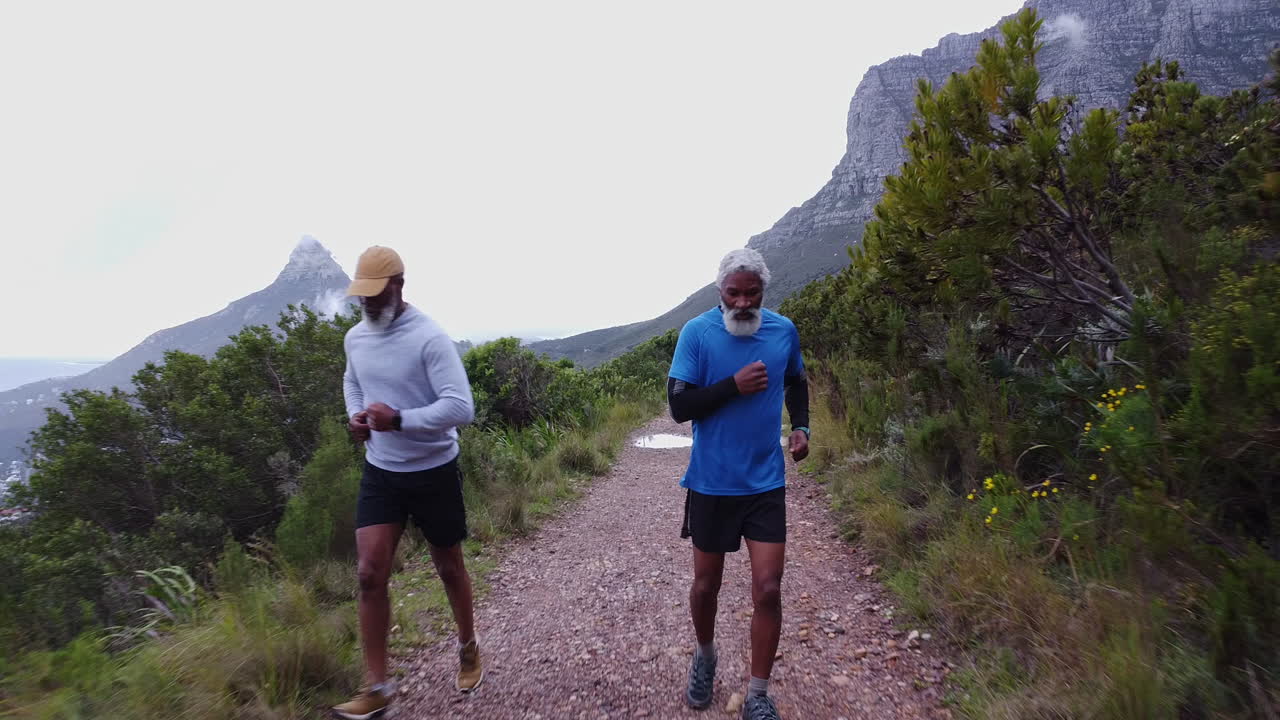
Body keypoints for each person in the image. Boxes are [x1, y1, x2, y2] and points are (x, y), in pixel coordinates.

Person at [332, 246, 482, 720]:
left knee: (449, 568)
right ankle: (377, 688)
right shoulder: (355, 338)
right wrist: (356, 416)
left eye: (376, 294)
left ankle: (468, 646)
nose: (367, 302)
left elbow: (461, 407)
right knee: (369, 573)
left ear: (398, 285)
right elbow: (353, 381)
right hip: (382, 472)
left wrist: (398, 419)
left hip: (434, 469)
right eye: (362, 295)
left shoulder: (428, 337)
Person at [668, 248, 809, 720]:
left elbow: (797, 381)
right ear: (719, 291)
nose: (743, 302)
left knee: (768, 589)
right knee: (706, 586)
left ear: (763, 291)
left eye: (752, 293)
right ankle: (705, 655)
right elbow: (679, 406)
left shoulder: (783, 330)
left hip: (765, 483)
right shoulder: (697, 332)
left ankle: (758, 694)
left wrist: (802, 426)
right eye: (734, 293)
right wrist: (733, 385)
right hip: (711, 484)